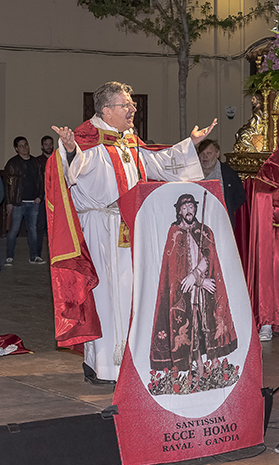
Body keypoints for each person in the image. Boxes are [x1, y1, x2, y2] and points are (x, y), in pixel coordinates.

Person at [49, 81, 215, 384]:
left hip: (130, 226)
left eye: (132, 104)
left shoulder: (128, 141)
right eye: (127, 105)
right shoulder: (88, 140)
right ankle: (103, 365)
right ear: (107, 109)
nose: (132, 109)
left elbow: (160, 161)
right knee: (106, 295)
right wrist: (71, 150)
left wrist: (190, 144)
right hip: (101, 227)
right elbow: (72, 168)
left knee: (131, 293)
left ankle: (129, 361)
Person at [150, 193, 237, 377]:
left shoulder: (204, 230)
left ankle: (214, 363)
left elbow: (209, 257)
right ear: (179, 210)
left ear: (195, 209)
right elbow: (173, 268)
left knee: (209, 322)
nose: (189, 211)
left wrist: (198, 277)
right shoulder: (174, 232)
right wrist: (193, 279)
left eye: (191, 207)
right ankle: (197, 365)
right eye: (185, 207)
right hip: (184, 291)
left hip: (204, 288)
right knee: (193, 325)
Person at [4, 136, 45, 266]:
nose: (24, 147)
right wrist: (9, 202)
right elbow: (7, 184)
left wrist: (40, 196)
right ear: (16, 149)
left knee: (33, 230)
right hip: (17, 203)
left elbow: (40, 181)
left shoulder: (35, 162)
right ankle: (9, 257)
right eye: (21, 146)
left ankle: (34, 256)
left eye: (26, 144)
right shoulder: (12, 163)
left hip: (34, 202)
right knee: (14, 230)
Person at [197, 139, 246, 227]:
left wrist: (228, 207)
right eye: (202, 154)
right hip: (197, 221)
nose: (205, 157)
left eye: (209, 153)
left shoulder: (228, 174)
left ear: (217, 154)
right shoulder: (191, 173)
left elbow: (240, 196)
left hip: (222, 222)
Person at [35, 135, 54, 259]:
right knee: (40, 226)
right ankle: (37, 254)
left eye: (50, 144)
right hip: (41, 198)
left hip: (55, 198)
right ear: (42, 146)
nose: (48, 146)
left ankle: (54, 253)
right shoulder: (36, 161)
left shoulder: (57, 159)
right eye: (46, 144)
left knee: (54, 227)